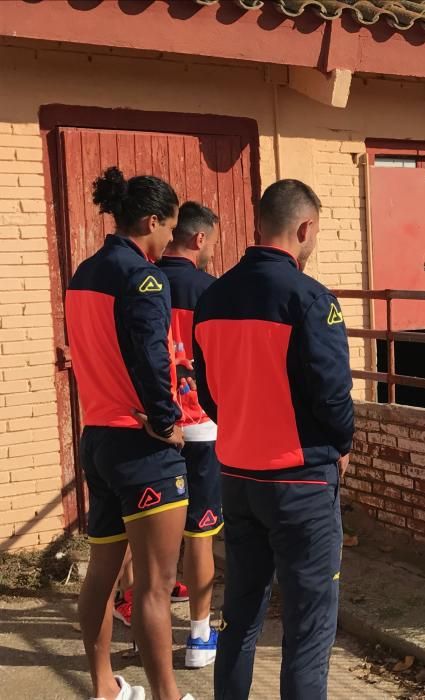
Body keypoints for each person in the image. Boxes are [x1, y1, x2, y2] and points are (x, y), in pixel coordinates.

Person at [192, 179, 354, 700]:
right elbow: (332, 397)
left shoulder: (212, 297)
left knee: (240, 618)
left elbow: (210, 393)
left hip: (237, 478)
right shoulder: (310, 299)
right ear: (305, 229)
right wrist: (342, 444)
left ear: (259, 224)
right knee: (307, 631)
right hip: (301, 482)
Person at [66, 167, 195, 700]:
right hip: (142, 445)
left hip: (97, 437)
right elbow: (150, 356)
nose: (171, 239)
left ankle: (104, 688)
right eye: (169, 227)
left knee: (102, 571)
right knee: (156, 586)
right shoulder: (144, 277)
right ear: (150, 220)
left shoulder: (84, 272)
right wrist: (167, 422)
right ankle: (167, 695)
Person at [157, 201, 223, 668]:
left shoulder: (142, 282)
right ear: (199, 240)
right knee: (201, 534)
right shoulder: (212, 291)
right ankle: (200, 637)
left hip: (154, 426)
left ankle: (145, 626)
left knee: (147, 535)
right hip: (202, 426)